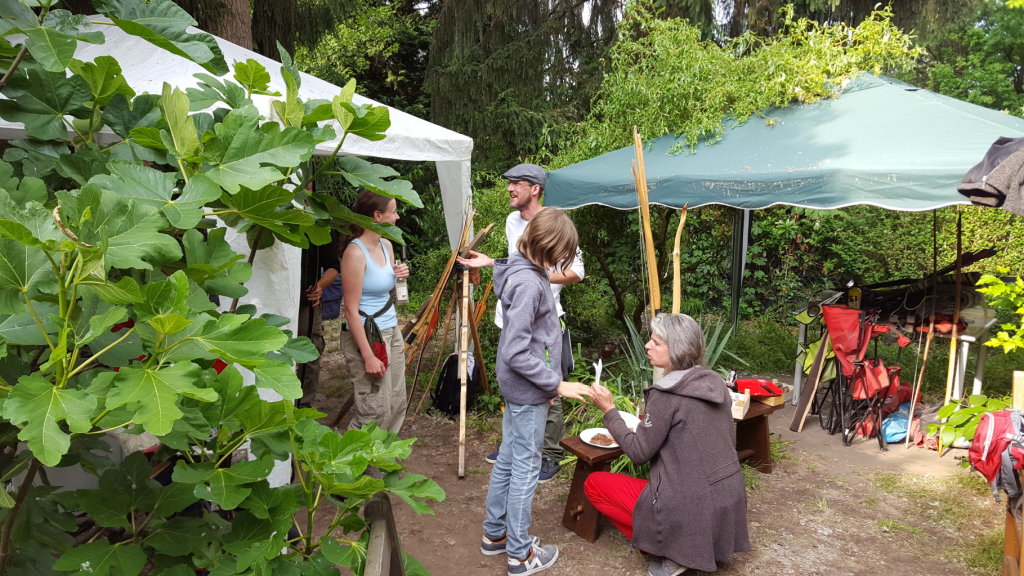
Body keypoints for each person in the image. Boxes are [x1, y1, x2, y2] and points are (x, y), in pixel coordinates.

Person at [585, 314, 750, 576]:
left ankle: (672, 552)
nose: (647, 346)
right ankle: (701, 544)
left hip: (691, 503)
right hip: (729, 494)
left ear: (678, 349)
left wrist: (609, 411)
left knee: (594, 484)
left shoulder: (666, 394)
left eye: (656, 342)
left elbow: (639, 452)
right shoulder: (714, 383)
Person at [480, 207, 592, 576]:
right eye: (563, 253)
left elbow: (532, 342)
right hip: (527, 390)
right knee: (526, 468)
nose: (564, 261)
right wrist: (554, 382)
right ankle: (519, 555)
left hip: (523, 387)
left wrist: (547, 378)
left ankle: (495, 534)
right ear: (550, 248)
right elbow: (516, 351)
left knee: (509, 458)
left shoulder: (521, 270)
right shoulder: (529, 284)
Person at [459, 163, 585, 482]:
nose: (510, 188)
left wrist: (538, 279)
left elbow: (577, 272)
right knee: (516, 376)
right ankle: (513, 444)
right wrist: (493, 263)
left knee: (547, 381)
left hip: (544, 322)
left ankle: (550, 453)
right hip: (512, 316)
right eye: (510, 183)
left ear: (535, 189)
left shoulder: (554, 223)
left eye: (517, 183)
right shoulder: (511, 221)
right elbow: (519, 262)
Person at [339, 190, 410, 433]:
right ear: (377, 216)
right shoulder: (355, 253)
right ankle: (351, 455)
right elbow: (350, 310)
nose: (397, 217)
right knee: (374, 409)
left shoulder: (386, 245)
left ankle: (385, 453)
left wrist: (400, 276)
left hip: (391, 329)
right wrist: (368, 356)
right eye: (394, 212)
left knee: (396, 400)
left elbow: (386, 293)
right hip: (367, 335)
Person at [297, 235, 340, 409]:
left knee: (309, 350)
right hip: (270, 300)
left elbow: (333, 266)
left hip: (306, 301)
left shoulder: (318, 227)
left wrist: (320, 286)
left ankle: (303, 405)